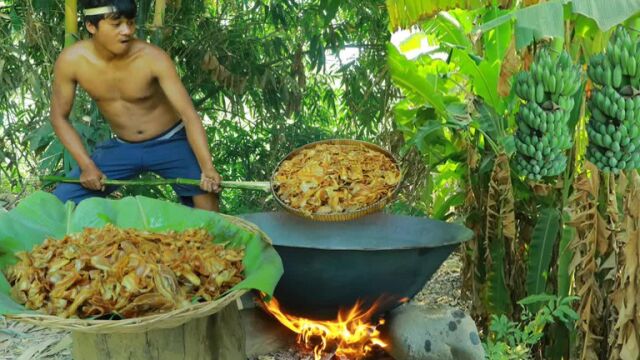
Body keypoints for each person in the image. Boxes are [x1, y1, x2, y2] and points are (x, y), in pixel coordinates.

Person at [50, 0, 222, 211]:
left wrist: (207, 167)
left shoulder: (153, 58)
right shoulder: (71, 61)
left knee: (209, 208)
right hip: (123, 147)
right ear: (91, 26)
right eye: (116, 25)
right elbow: (59, 117)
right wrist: (87, 166)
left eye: (130, 23)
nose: (127, 31)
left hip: (171, 142)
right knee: (59, 201)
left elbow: (189, 115)